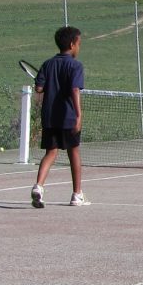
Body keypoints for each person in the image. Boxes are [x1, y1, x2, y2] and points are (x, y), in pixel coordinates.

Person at [31, 26, 88, 208]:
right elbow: (74, 90)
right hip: (68, 117)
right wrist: (79, 116)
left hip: (49, 117)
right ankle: (77, 195)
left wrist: (43, 85)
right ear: (72, 44)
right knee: (74, 153)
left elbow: (39, 89)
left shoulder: (47, 64)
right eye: (79, 44)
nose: (79, 47)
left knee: (51, 152)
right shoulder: (76, 66)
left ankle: (38, 186)